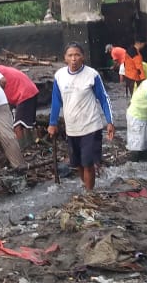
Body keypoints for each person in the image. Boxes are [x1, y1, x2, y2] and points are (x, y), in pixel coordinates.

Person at [48, 42, 115, 192]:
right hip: (72, 128)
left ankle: (89, 193)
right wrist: (52, 123)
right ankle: (86, 188)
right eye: (70, 55)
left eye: (77, 55)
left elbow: (104, 98)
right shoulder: (59, 76)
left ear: (83, 57)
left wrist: (110, 121)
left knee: (88, 164)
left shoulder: (92, 75)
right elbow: (56, 101)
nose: (74, 59)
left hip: (91, 126)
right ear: (65, 58)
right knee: (77, 164)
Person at [0, 64, 40, 143]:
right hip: (27, 90)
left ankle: (21, 148)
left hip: (24, 93)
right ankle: (30, 143)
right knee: (25, 124)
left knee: (18, 125)